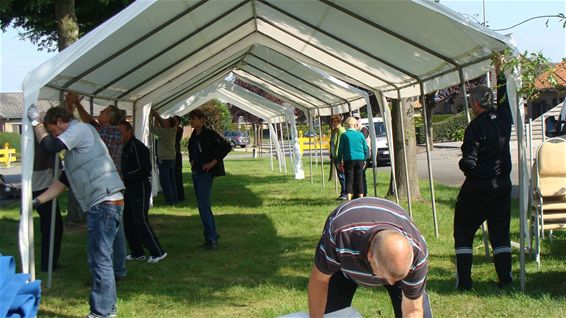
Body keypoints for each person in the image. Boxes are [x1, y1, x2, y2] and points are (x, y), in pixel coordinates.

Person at [28, 105, 124, 318]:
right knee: (98, 259)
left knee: (100, 260)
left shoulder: (79, 130)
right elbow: (62, 183)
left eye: (54, 130)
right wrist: (37, 201)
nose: (54, 135)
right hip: (103, 203)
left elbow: (50, 146)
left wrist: (36, 123)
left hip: (104, 202)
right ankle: (107, 309)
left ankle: (102, 313)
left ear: (62, 122)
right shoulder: (74, 153)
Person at [308, 197, 431, 317]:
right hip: (344, 262)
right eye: (385, 277)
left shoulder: (417, 255)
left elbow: (413, 310)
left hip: (391, 265)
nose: (392, 283)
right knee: (329, 313)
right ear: (370, 256)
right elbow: (319, 280)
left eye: (398, 277)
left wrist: (398, 277)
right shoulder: (339, 237)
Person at [454, 74, 513, 291]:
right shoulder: (505, 119)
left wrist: (462, 163)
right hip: (502, 187)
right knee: (500, 233)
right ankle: (506, 278)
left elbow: (469, 163)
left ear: (476, 104)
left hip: (478, 188)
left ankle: (465, 282)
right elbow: (506, 98)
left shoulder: (475, 128)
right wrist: (502, 73)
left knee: (463, 231)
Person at [66, 92, 128, 281]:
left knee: (105, 236)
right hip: (115, 187)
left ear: (109, 118)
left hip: (104, 189)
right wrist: (76, 104)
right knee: (118, 232)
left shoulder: (106, 132)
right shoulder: (113, 131)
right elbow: (90, 121)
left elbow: (84, 124)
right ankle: (120, 269)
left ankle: (107, 273)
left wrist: (73, 104)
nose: (100, 112)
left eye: (104, 111)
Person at [118, 121, 167, 263]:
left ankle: (157, 251)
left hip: (140, 187)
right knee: (128, 220)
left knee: (140, 220)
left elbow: (144, 170)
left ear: (129, 131)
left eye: (122, 133)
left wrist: (124, 176)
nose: (120, 136)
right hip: (129, 187)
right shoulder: (124, 147)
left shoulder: (138, 147)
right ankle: (136, 251)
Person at [187, 109, 231, 250]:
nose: (191, 122)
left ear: (201, 120)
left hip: (206, 173)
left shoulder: (210, 134)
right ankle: (210, 236)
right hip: (196, 172)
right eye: (190, 119)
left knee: (204, 205)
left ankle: (211, 238)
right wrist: (192, 160)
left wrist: (213, 163)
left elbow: (226, 147)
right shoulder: (194, 135)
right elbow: (191, 150)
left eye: (193, 119)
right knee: (202, 205)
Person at [32, 135, 63, 272]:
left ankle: (49, 262)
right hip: (43, 185)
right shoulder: (42, 136)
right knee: (52, 227)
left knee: (51, 226)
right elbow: (51, 146)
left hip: (43, 184)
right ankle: (48, 264)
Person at [150, 109, 178, 205]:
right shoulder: (172, 130)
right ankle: (174, 199)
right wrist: (155, 115)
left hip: (165, 160)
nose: (163, 121)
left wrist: (150, 117)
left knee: (165, 182)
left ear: (167, 125)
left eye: (165, 121)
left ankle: (171, 201)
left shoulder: (165, 132)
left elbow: (152, 128)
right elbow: (160, 122)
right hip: (170, 159)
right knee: (171, 180)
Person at [337, 117, 369, 200]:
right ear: (355, 125)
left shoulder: (344, 135)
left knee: (349, 178)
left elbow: (340, 149)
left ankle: (349, 198)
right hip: (360, 159)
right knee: (360, 178)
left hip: (348, 159)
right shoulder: (360, 134)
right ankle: (361, 197)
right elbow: (365, 148)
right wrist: (365, 159)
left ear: (346, 126)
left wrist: (339, 161)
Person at [329, 115, 347, 200]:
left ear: (339, 122)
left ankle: (345, 192)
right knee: (340, 175)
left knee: (342, 175)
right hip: (335, 156)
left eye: (335, 122)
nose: (334, 123)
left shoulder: (341, 130)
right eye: (333, 122)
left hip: (340, 156)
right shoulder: (334, 131)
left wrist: (341, 158)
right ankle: (343, 192)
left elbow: (341, 145)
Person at [353, 112, 370, 197]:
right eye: (354, 119)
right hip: (359, 155)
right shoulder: (355, 130)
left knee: (361, 175)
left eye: (357, 119)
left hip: (365, 156)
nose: (356, 121)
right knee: (357, 175)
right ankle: (357, 193)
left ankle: (363, 193)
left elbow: (361, 142)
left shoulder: (364, 130)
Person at [174, 115, 186, 201]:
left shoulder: (179, 129)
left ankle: (180, 196)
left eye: (175, 121)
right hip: (174, 154)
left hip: (176, 154)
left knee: (178, 175)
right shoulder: (175, 129)